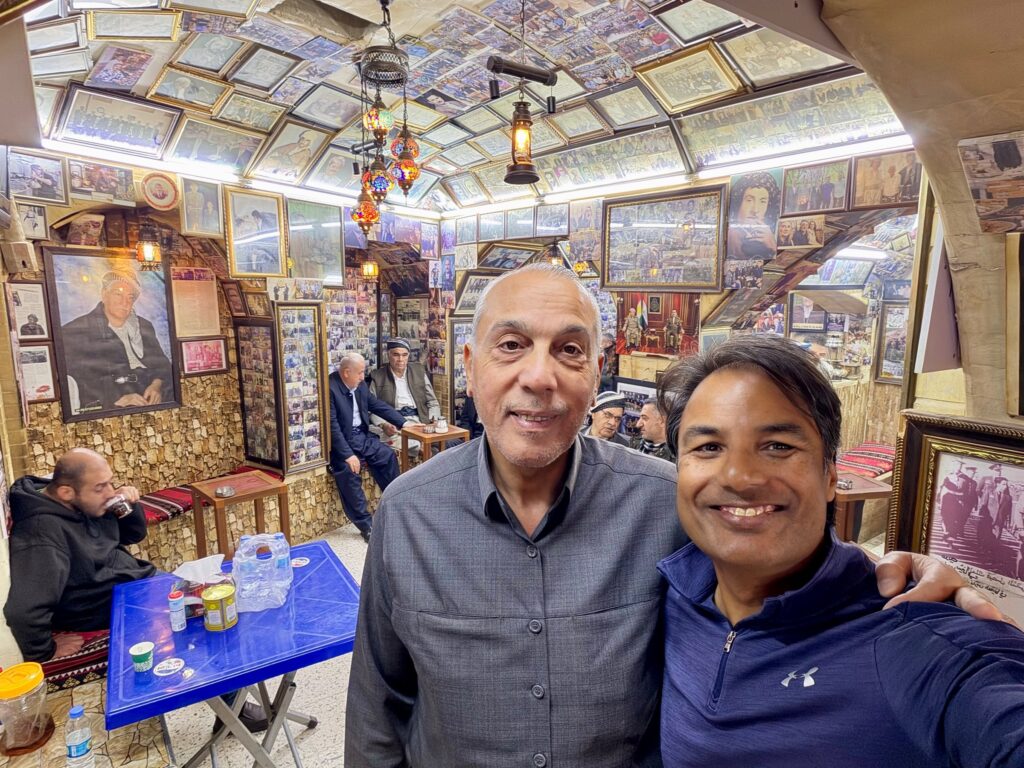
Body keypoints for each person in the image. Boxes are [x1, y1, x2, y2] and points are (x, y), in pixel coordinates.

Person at [345, 264, 987, 768]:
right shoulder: (407, 512)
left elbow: (778, 559)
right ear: (470, 365)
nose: (539, 376)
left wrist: (889, 574)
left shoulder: (667, 502)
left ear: (595, 373)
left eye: (569, 351)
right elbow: (379, 710)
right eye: (511, 346)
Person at [658, 335, 1024, 767]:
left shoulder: (916, 641)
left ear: (831, 474)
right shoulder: (672, 588)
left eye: (778, 446)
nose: (739, 476)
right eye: (708, 448)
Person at [4, 448, 156, 662]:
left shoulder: (80, 503)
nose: (110, 493)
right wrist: (46, 650)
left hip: (134, 583)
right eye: (100, 488)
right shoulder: (41, 533)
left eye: (110, 482)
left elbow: (133, 535)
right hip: (109, 607)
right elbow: (23, 611)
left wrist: (127, 504)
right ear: (66, 492)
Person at [60, 268, 172, 415]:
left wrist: (156, 385)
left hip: (149, 399)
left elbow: (162, 365)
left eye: (130, 297)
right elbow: (77, 382)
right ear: (104, 295)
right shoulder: (75, 331)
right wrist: (117, 400)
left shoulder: (144, 326)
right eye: (118, 294)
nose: (125, 302)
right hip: (112, 407)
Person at [328, 352, 405, 543]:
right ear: (346, 372)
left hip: (361, 435)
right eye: (360, 373)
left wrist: (403, 423)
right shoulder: (330, 388)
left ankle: (396, 506)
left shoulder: (360, 386)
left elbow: (376, 405)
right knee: (348, 471)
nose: (363, 377)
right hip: (342, 442)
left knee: (387, 455)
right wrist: (347, 455)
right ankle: (366, 525)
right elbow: (332, 426)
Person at [368, 338, 441, 454]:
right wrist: (384, 424)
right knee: (391, 439)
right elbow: (371, 409)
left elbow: (432, 402)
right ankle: (420, 448)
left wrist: (434, 420)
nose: (400, 359)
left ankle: (424, 448)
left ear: (408, 355)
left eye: (404, 355)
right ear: (388, 355)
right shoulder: (377, 377)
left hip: (419, 421)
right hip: (393, 424)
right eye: (396, 355)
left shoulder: (419, 371)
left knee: (449, 442)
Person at [727, 171, 781, 261]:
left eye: (763, 202)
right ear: (738, 203)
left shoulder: (769, 237)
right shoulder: (730, 236)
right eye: (749, 200)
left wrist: (772, 246)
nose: (755, 210)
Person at [630, 397, 672, 461]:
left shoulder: (678, 457)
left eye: (644, 418)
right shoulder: (633, 443)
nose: (638, 424)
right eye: (640, 418)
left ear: (662, 421)